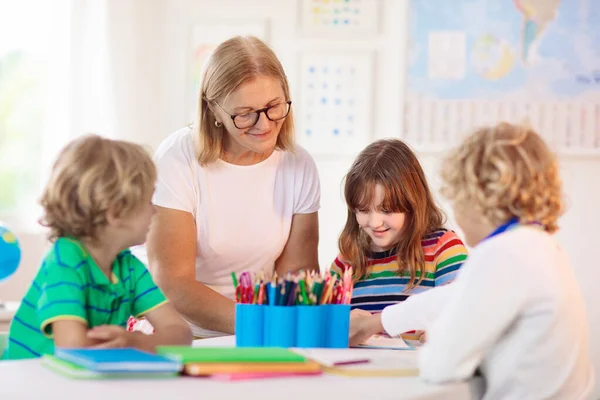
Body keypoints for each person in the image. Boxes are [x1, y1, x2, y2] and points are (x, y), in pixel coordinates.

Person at [349, 123, 594, 399]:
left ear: (476, 199)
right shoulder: (536, 247)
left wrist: (426, 338)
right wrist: (379, 321)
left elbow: (440, 365)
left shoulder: (504, 255)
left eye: (457, 199)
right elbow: (455, 296)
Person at [140, 36, 320, 338]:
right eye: (245, 113)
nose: (263, 124)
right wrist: (260, 325)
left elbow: (296, 278)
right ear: (213, 111)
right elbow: (173, 282)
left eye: (273, 106)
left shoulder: (298, 164)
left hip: (258, 332)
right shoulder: (178, 159)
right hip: (181, 333)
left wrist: (283, 328)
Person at [1, 135, 192, 360]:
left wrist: (138, 341)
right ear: (115, 212)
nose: (154, 211)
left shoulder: (127, 266)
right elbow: (72, 346)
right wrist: (134, 344)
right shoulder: (65, 261)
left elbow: (181, 334)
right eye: (148, 202)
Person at [330, 139, 468, 342]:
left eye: (387, 210)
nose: (375, 222)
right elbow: (324, 329)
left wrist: (441, 331)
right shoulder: (346, 263)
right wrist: (338, 325)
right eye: (363, 210)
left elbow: (465, 316)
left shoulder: (444, 250)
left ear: (413, 204)